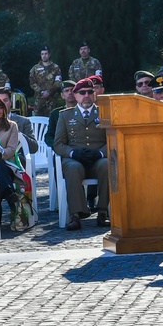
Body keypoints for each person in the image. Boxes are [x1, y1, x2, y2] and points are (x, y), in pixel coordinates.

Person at [54, 78, 109, 230]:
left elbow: (112, 139)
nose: (86, 95)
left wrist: (100, 153)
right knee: (72, 168)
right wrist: (72, 153)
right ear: (76, 95)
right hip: (75, 159)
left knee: (106, 165)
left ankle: (103, 212)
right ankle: (76, 215)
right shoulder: (65, 115)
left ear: (94, 94)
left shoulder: (104, 112)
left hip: (97, 159)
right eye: (82, 92)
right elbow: (58, 143)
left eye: (90, 92)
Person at [0, 87, 39, 162]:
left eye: (5, 100)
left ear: (10, 102)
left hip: (17, 161)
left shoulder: (23, 122)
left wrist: (17, 133)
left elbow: (34, 148)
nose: (2, 104)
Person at [28, 46, 63, 116]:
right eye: (42, 54)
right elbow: (32, 82)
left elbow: (58, 82)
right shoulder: (35, 68)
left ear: (49, 54)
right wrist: (41, 92)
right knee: (39, 119)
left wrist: (49, 92)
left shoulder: (55, 67)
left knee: (52, 119)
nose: (44, 56)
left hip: (52, 99)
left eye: (46, 54)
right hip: (39, 99)